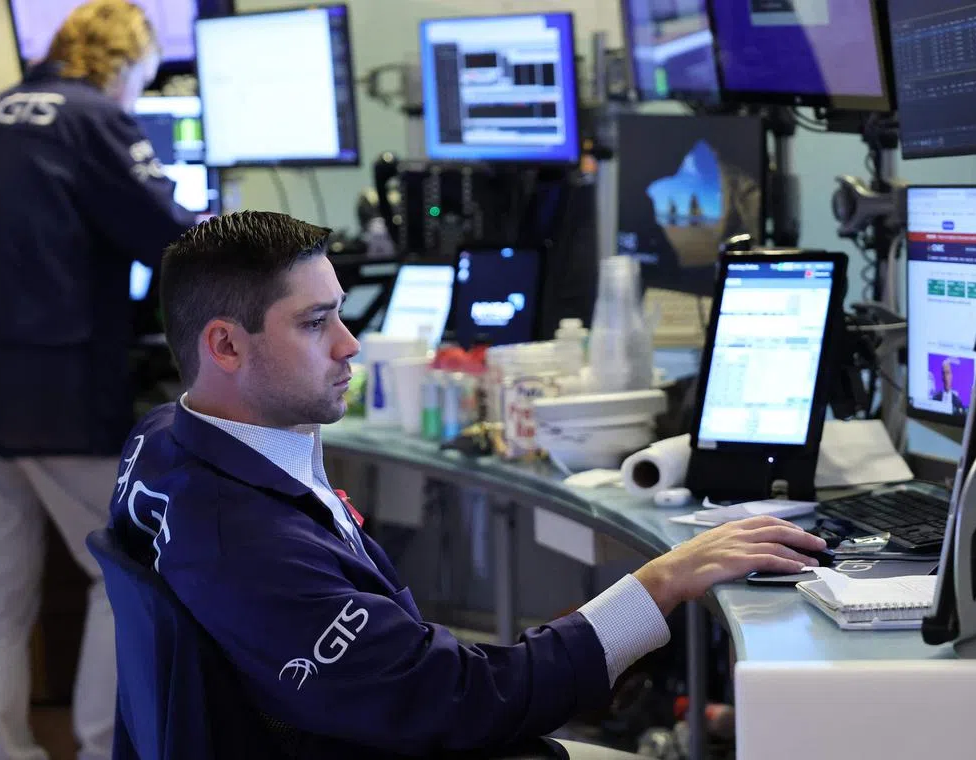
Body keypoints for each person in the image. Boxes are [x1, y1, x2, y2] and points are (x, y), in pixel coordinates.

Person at [107, 211, 826, 758]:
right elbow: (471, 705)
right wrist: (663, 583)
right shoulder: (247, 544)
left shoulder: (167, 438)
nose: (348, 344)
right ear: (226, 345)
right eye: (315, 323)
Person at [0, 2, 196, 758]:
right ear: (122, 63)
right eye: (144, 80)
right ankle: (95, 745)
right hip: (55, 388)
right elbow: (171, 235)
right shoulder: (93, 118)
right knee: (127, 570)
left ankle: (13, 753)